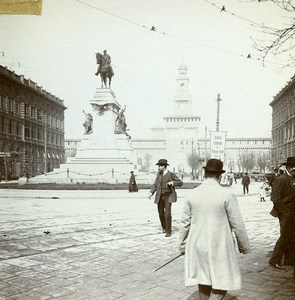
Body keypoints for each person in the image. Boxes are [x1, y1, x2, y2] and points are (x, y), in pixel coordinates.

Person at [179, 158, 251, 299]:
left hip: (197, 244)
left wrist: (182, 246)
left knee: (203, 281)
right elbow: (237, 223)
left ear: (205, 174)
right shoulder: (227, 194)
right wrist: (244, 246)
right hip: (220, 246)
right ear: (219, 175)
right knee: (221, 283)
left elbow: (184, 224)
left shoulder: (192, 194)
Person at [269, 157, 295, 274]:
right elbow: (274, 198)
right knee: (284, 236)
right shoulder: (281, 179)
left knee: (292, 235)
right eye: (292, 166)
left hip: (293, 211)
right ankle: (274, 260)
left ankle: (289, 260)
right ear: (287, 167)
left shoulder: (293, 178)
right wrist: (283, 211)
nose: (294, 168)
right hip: (285, 212)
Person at [148, 159, 183, 237]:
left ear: (164, 166)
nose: (158, 167)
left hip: (168, 196)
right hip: (159, 196)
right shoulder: (159, 174)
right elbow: (155, 184)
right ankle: (164, 227)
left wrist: (173, 183)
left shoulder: (171, 174)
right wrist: (151, 192)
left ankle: (168, 231)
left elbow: (180, 182)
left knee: (167, 214)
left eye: (159, 166)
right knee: (161, 214)